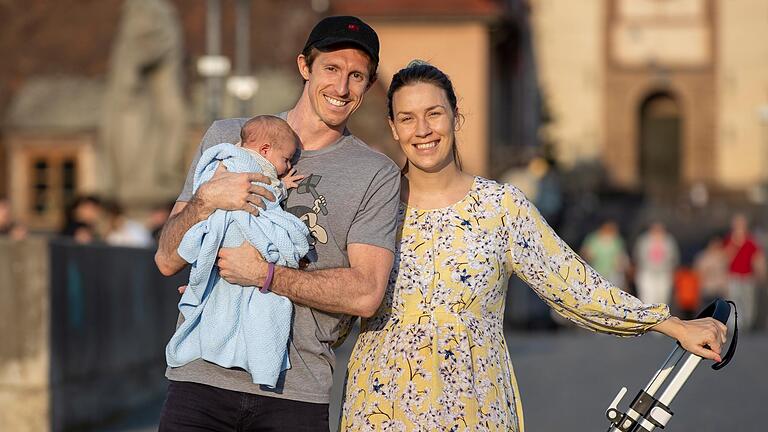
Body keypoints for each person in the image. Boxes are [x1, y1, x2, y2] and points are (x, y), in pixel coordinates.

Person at [339, 61, 728, 431]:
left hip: (476, 408)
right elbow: (332, 295)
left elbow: (573, 284)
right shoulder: (375, 205)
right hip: (380, 409)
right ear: (393, 127)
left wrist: (670, 324)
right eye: (407, 118)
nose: (422, 129)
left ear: (456, 117)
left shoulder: (500, 207)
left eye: (434, 113)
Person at [154, 16, 400, 431]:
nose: (341, 88)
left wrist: (264, 274)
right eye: (331, 69)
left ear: (369, 85)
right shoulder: (229, 137)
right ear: (305, 67)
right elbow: (165, 259)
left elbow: (366, 294)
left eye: (356, 76)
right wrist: (205, 200)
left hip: (296, 392)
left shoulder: (376, 173)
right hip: (200, 379)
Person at [165, 115, 310, 388]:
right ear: (265, 151)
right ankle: (260, 362)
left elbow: (264, 190)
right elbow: (260, 197)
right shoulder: (239, 164)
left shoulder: (247, 165)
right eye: (286, 160)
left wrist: (280, 185)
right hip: (232, 229)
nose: (287, 166)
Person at [724, 214, 765, 330]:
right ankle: (735, 324)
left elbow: (757, 258)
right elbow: (725, 257)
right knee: (733, 299)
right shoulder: (729, 239)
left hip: (748, 276)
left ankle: (747, 322)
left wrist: (760, 272)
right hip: (733, 275)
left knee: (748, 301)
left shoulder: (751, 240)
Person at [633, 222, 680, 305]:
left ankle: (660, 316)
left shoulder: (669, 241)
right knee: (647, 297)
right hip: (647, 272)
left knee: (662, 298)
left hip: (664, 273)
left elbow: (673, 257)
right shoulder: (644, 240)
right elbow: (639, 256)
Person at [580, 220, 630, 291]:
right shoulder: (593, 239)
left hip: (612, 272)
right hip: (596, 270)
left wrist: (621, 265)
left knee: (614, 290)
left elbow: (621, 255)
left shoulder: (617, 240)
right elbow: (585, 252)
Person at [694, 235, 729, 306]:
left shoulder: (723, 256)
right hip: (708, 290)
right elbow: (699, 272)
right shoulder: (704, 256)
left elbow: (726, 273)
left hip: (719, 290)